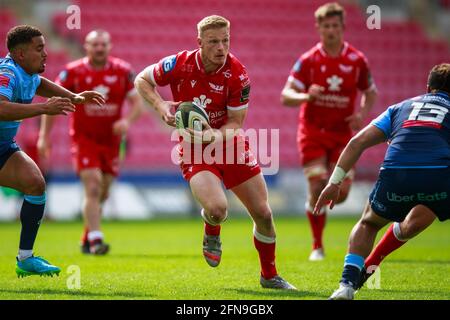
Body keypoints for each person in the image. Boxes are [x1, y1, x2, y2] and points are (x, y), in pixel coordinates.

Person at [135, 15, 295, 290]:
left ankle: (269, 275)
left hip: (229, 143)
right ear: (199, 43)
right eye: (213, 42)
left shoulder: (238, 74)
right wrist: (160, 106)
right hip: (194, 148)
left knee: (264, 214)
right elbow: (142, 79)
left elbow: (236, 123)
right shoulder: (179, 63)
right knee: (218, 208)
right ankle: (212, 228)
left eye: (225, 41)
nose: (221, 48)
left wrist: (214, 135)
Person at [314, 63, 450, 300]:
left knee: (369, 223)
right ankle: (367, 267)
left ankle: (346, 285)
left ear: (428, 88)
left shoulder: (400, 107)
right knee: (420, 217)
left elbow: (357, 142)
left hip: (397, 170)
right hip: (439, 174)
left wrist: (334, 183)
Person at [0, 25, 104, 277]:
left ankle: (25, 259)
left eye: (45, 47)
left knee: (35, 185)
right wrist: (44, 109)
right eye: (39, 48)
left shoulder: (26, 72)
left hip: (3, 148)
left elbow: (40, 84)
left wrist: (74, 97)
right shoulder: (7, 73)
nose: (46, 54)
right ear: (21, 54)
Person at [280, 2, 377, 261]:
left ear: (343, 28)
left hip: (343, 136)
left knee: (341, 193)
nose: (331, 31)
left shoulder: (357, 60)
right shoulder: (308, 60)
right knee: (316, 186)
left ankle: (318, 214)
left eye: (335, 26)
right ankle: (317, 246)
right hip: (312, 132)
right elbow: (285, 96)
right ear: (318, 28)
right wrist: (304, 95)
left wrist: (361, 114)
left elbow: (371, 92)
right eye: (326, 26)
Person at [38, 30, 144, 255]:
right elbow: (53, 101)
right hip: (84, 139)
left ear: (109, 46)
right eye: (94, 45)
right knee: (93, 187)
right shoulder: (73, 72)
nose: (99, 48)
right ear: (86, 47)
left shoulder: (123, 71)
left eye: (103, 44)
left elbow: (138, 104)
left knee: (102, 193)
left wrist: (126, 121)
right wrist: (43, 136)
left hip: (112, 142)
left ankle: (88, 234)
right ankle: (96, 240)